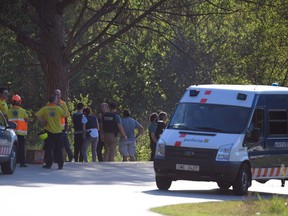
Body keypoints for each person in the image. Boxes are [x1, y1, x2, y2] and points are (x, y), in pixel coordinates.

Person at [36, 95, 67, 169]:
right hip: (58, 131)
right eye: (56, 100)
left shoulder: (45, 108)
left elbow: (37, 115)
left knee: (48, 148)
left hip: (49, 131)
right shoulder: (58, 108)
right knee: (59, 148)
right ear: (55, 101)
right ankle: (60, 164)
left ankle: (48, 164)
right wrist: (61, 106)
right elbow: (65, 115)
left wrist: (43, 121)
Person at [7, 94, 29, 167]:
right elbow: (27, 119)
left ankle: (14, 161)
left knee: (13, 147)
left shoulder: (9, 110)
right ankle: (22, 163)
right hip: (20, 132)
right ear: (19, 102)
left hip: (11, 132)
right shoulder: (22, 111)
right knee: (21, 148)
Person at [55, 89, 74, 162]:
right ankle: (55, 159)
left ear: (60, 95)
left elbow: (67, 114)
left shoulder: (63, 103)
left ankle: (71, 158)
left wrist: (60, 107)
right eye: (56, 94)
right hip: (53, 127)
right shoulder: (50, 103)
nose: (57, 96)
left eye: (58, 94)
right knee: (55, 144)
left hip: (62, 127)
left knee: (66, 144)